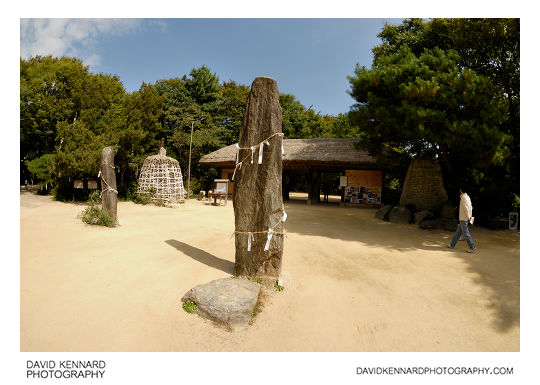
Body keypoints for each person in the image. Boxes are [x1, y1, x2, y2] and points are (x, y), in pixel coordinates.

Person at [448, 187, 477, 253]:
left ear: (461, 190)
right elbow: (470, 207)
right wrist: (469, 215)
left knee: (466, 233)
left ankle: (472, 247)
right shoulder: (467, 197)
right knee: (458, 233)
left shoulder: (463, 197)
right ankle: (452, 245)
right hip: (464, 218)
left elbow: (466, 208)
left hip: (463, 218)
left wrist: (468, 216)